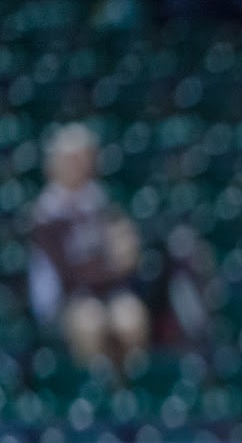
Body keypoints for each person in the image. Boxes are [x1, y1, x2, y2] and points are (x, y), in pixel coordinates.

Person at [28, 123, 150, 367]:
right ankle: (93, 391)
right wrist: (108, 269)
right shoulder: (46, 214)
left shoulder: (100, 202)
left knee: (131, 315)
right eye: (73, 159)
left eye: (85, 157)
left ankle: (132, 389)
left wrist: (121, 259)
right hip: (67, 298)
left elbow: (125, 257)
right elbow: (67, 273)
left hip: (107, 290)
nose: (81, 164)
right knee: (90, 320)